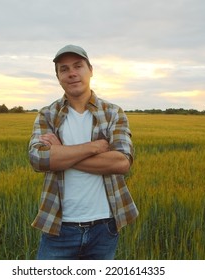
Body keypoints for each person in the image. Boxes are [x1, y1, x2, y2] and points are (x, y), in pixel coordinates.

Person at [28, 44, 138, 260]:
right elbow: (38, 159)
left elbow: (122, 162)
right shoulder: (48, 114)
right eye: (64, 69)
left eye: (78, 66)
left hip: (104, 227)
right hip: (58, 227)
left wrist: (60, 153)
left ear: (91, 70)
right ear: (58, 77)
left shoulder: (113, 113)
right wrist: (93, 148)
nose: (72, 73)